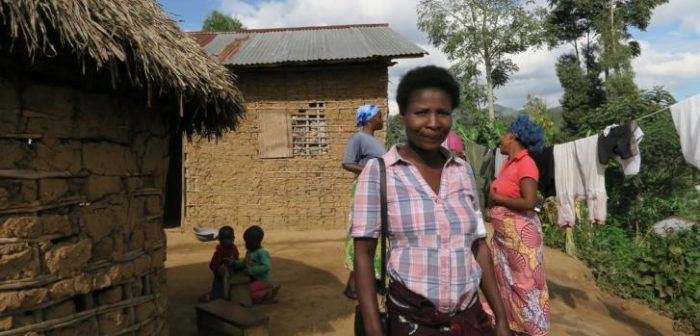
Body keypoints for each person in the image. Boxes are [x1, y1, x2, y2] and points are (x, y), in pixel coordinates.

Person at [352, 65, 511, 336]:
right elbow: (364, 254)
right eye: (421, 112)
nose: (434, 123)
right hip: (412, 321)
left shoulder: (462, 170)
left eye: (443, 113)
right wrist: (374, 329)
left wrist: (501, 318)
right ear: (402, 116)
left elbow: (477, 245)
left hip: (469, 318)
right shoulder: (379, 173)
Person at [488, 115, 550, 335]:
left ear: (512, 136)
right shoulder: (508, 164)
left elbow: (529, 202)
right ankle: (509, 326)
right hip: (505, 240)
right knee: (503, 283)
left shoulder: (526, 164)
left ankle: (530, 330)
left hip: (521, 239)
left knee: (525, 285)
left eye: (504, 135)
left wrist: (497, 199)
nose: (501, 140)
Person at [342, 103, 386, 299]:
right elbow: (347, 162)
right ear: (368, 119)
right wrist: (371, 171)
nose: (382, 119)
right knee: (361, 233)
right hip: (363, 191)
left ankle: (373, 280)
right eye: (379, 116)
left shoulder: (375, 141)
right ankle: (352, 285)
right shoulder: (358, 138)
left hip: (376, 190)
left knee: (375, 233)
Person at [235, 225, 280, 304]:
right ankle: (265, 292)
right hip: (253, 279)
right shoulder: (249, 252)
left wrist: (251, 270)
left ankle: (268, 292)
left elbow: (266, 266)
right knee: (243, 290)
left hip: (263, 280)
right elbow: (244, 263)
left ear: (256, 242)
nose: (246, 244)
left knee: (248, 293)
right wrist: (234, 264)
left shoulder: (262, 253)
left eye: (248, 242)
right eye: (245, 242)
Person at [207, 226, 240, 301]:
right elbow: (213, 264)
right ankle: (223, 297)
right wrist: (219, 269)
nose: (225, 241)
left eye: (228, 239)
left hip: (231, 270)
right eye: (222, 239)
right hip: (220, 274)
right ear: (219, 239)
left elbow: (236, 257)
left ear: (233, 239)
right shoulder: (219, 251)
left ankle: (230, 295)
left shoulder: (234, 248)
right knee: (220, 287)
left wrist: (233, 261)